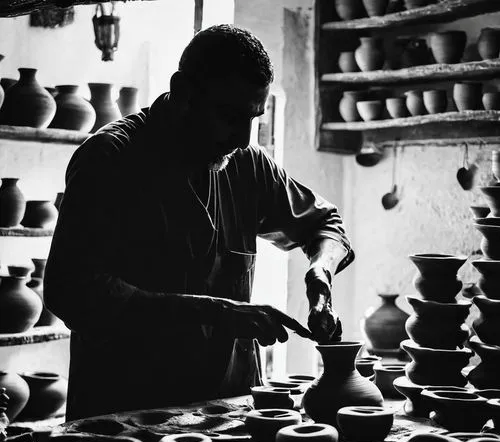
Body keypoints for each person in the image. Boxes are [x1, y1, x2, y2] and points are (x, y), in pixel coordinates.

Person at [44, 24, 354, 421]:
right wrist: (216, 314)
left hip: (227, 414)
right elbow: (70, 289)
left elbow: (326, 224)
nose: (243, 138)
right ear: (183, 91)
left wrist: (321, 275)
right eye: (229, 115)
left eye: (253, 118)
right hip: (127, 417)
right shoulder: (110, 160)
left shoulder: (247, 164)